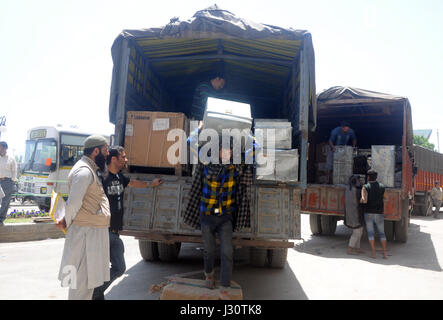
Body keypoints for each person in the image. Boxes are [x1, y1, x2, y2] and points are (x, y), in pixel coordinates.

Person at [182, 139, 252, 300]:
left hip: (225, 217)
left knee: (227, 252)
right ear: (217, 151)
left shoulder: (236, 168)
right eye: (223, 150)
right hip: (207, 216)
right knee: (208, 250)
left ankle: (224, 287)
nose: (227, 153)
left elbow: (253, 151)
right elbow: (190, 142)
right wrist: (198, 129)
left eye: (230, 151)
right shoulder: (206, 164)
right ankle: (209, 274)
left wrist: (250, 137)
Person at [92, 146, 162, 300]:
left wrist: (151, 184)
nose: (126, 160)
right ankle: (96, 294)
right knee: (107, 268)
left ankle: (96, 292)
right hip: (102, 230)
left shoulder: (120, 177)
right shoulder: (101, 177)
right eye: (123, 157)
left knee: (119, 267)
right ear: (114, 159)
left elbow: (133, 183)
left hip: (114, 231)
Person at [56, 135, 111, 300]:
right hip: (85, 235)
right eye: (105, 149)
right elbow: (73, 203)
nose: (107, 153)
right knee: (81, 284)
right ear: (96, 151)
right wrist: (67, 222)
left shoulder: (89, 169)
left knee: (86, 285)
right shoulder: (84, 172)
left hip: (89, 233)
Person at [361, 169, 388, 259]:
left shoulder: (365, 187)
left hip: (368, 213)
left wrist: (360, 199)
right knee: (382, 233)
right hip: (379, 213)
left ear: (368, 177)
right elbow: (386, 198)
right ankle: (384, 253)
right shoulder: (382, 186)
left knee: (371, 233)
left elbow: (364, 200)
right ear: (376, 177)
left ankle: (373, 253)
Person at [345, 175, 365, 255]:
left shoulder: (348, 189)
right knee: (357, 232)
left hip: (350, 213)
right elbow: (361, 200)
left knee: (359, 231)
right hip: (355, 213)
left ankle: (357, 248)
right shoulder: (356, 191)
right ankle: (350, 248)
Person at [0, 141, 17, 226]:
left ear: (5, 148)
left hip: (7, 182)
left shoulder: (11, 158)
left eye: (1, 147)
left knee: (5, 202)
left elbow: (14, 171)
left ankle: (1, 219)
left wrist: (13, 182)